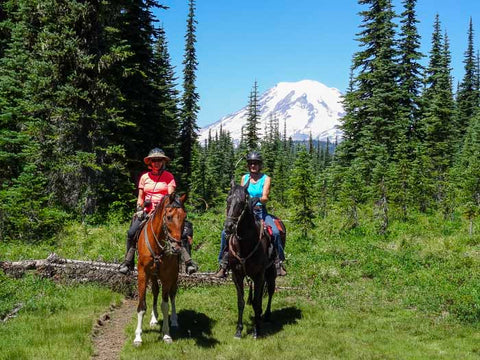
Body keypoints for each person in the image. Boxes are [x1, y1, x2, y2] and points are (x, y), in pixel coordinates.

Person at [119, 148, 198, 275]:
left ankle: (188, 262)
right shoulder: (144, 177)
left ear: (163, 162)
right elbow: (141, 196)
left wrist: (165, 208)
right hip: (147, 211)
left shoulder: (168, 177)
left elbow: (171, 197)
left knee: (181, 232)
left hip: (164, 212)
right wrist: (139, 207)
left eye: (159, 160)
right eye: (154, 160)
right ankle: (128, 262)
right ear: (150, 162)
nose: (157, 163)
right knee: (132, 232)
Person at [215, 151, 286, 278]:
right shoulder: (245, 178)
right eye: (251, 163)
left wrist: (257, 200)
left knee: (274, 232)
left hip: (260, 211)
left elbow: (265, 197)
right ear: (248, 165)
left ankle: (278, 262)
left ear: (260, 165)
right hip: (245, 212)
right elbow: (241, 194)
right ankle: (223, 263)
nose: (253, 165)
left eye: (256, 163)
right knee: (225, 233)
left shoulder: (266, 178)